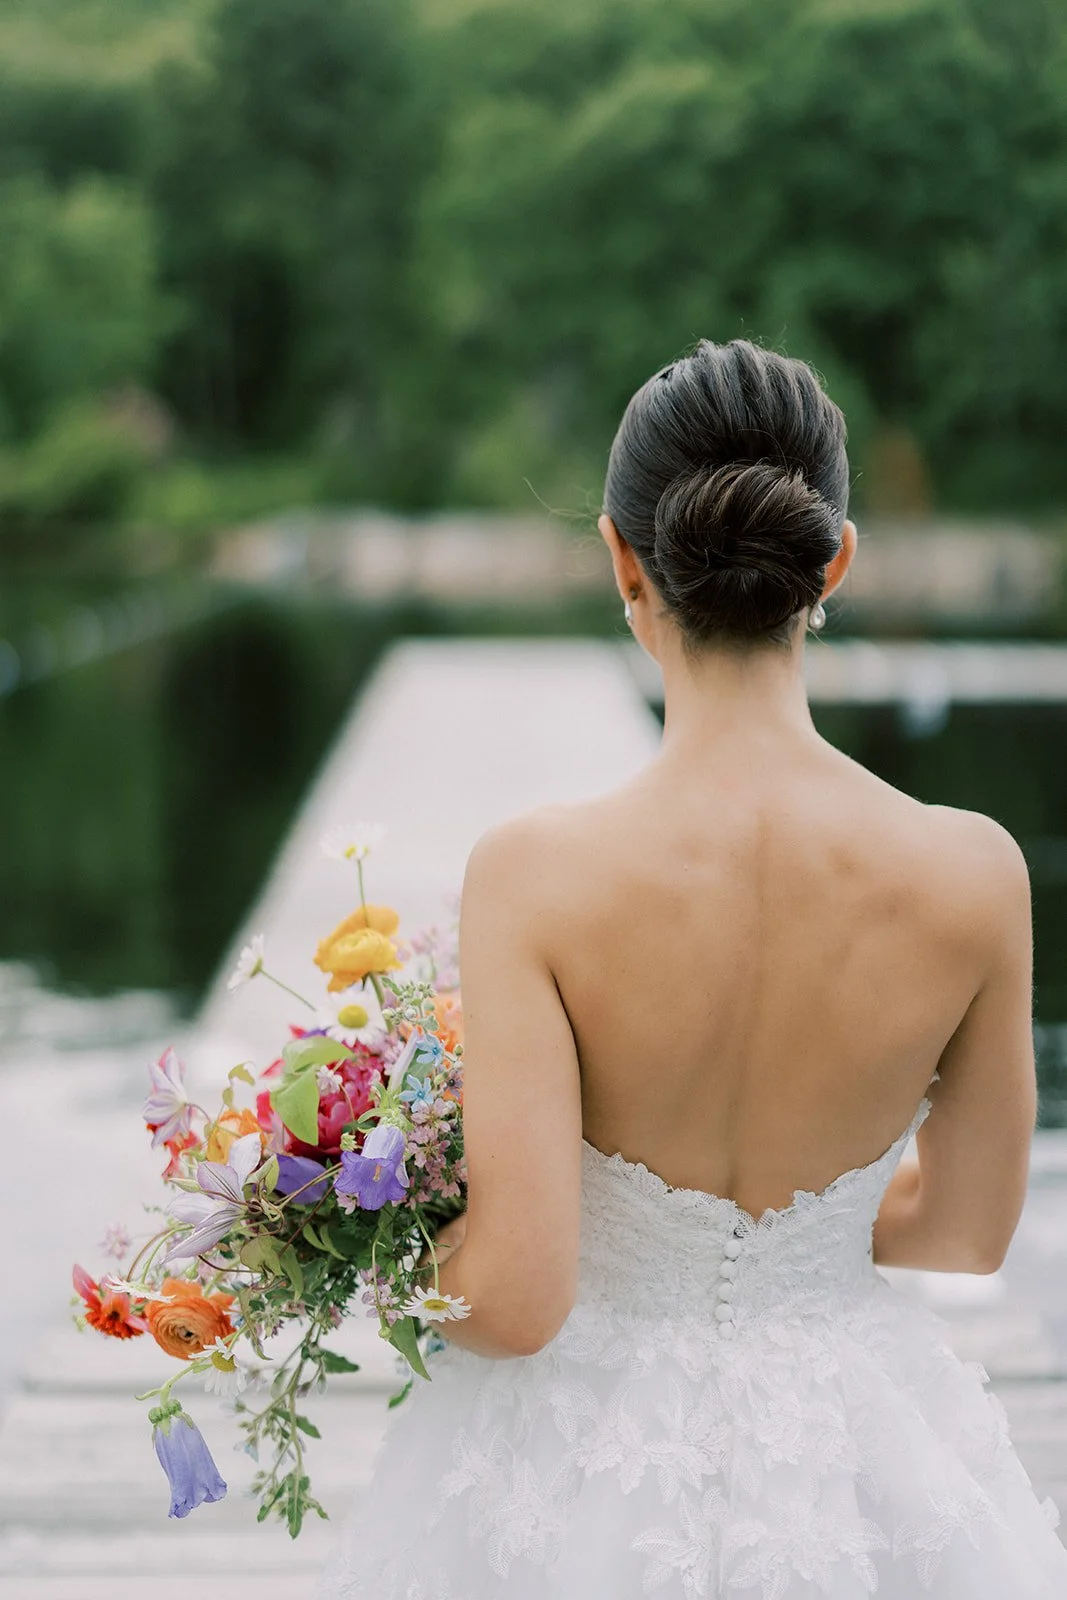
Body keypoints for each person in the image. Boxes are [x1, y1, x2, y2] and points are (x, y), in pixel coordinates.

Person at [313, 340, 1067, 1597]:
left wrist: (363, 1243)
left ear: (622, 561)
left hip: (581, 1473)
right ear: (833, 561)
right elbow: (967, 1228)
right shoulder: (972, 872)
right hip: (853, 1449)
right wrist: (795, 1236)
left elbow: (519, 1295)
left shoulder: (535, 876)